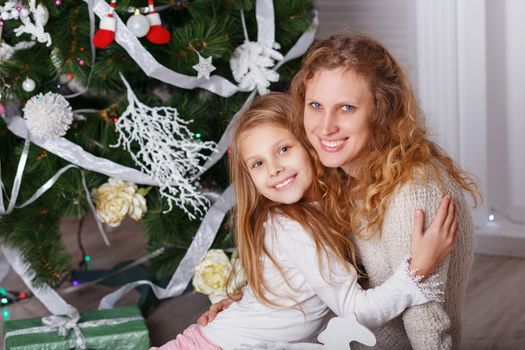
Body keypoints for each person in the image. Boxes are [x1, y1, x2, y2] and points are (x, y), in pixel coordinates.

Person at [153, 92, 458, 350]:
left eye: (284, 149)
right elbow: (355, 310)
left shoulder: (321, 208)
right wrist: (417, 270)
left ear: (309, 145)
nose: (274, 169)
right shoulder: (294, 226)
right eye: (258, 163)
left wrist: (239, 298)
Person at [288, 34, 480, 349]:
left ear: (381, 111)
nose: (325, 126)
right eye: (315, 106)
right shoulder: (345, 174)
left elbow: (428, 329)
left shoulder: (414, 195)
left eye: (346, 108)